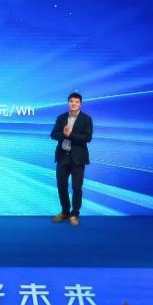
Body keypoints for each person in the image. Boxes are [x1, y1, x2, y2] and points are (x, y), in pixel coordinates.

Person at [50, 92, 92, 226]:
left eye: (76, 102)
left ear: (80, 104)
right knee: (61, 186)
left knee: (76, 187)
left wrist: (71, 135)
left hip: (78, 159)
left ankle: (75, 214)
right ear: (68, 103)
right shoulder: (61, 118)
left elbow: (87, 138)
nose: (73, 104)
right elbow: (53, 135)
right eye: (71, 101)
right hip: (62, 157)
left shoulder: (86, 119)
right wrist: (64, 134)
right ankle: (65, 212)